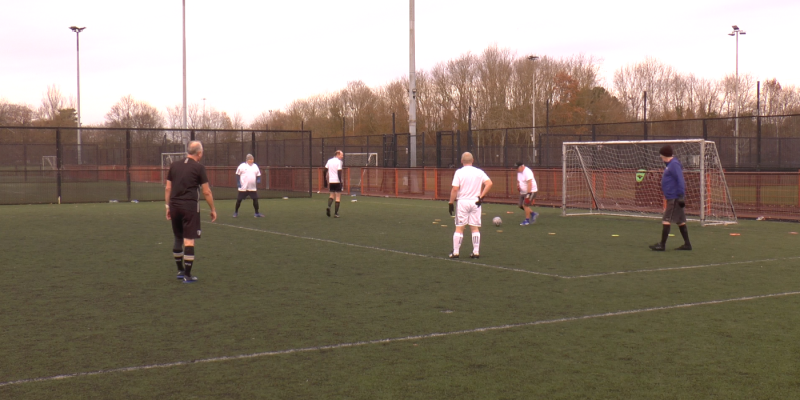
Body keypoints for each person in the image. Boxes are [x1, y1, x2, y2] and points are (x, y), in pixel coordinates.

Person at [165, 141, 217, 283]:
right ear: (199, 153)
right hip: (189, 207)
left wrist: (168, 207)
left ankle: (180, 271)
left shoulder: (174, 165)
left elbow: (168, 188)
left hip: (174, 206)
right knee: (189, 240)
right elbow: (206, 191)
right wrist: (212, 209)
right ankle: (187, 275)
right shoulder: (199, 168)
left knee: (178, 238)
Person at [448, 152, 493, 259]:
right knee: (474, 228)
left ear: (461, 161)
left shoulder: (459, 172)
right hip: (475, 202)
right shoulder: (479, 172)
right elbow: (489, 183)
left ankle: (456, 252)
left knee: (459, 227)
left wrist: (451, 202)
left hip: (463, 202)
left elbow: (455, 189)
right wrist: (481, 197)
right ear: (473, 161)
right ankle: (476, 252)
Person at [650, 145, 691, 251]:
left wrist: (681, 196)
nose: (661, 158)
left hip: (675, 198)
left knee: (666, 219)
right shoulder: (670, 165)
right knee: (680, 221)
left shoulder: (674, 164)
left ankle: (662, 245)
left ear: (664, 155)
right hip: (673, 197)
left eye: (661, 156)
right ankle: (687, 244)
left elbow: (680, 180)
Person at [325, 150, 344, 218]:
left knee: (331, 195)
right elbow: (339, 173)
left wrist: (325, 181)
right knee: (338, 197)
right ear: (337, 154)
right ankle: (336, 213)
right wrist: (340, 182)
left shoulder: (329, 161)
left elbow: (325, 170)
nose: (342, 156)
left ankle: (329, 207)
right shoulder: (339, 162)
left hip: (331, 181)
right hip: (337, 181)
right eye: (341, 155)